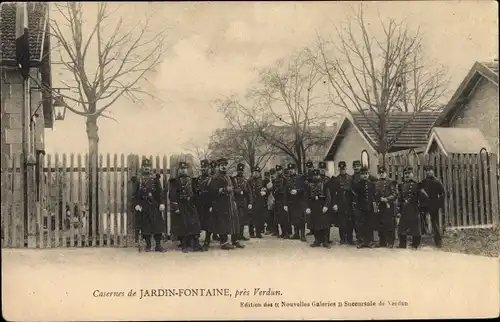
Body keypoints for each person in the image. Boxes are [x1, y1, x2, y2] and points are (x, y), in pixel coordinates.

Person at [208, 158, 245, 250]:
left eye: (225, 165)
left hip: (230, 203)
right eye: (222, 165)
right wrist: (224, 190)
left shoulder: (228, 177)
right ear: (218, 167)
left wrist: (235, 192)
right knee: (223, 223)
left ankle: (235, 240)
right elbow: (212, 191)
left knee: (235, 222)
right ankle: (224, 242)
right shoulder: (216, 177)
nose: (224, 167)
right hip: (221, 204)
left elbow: (232, 188)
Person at [132, 158, 166, 252]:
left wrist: (162, 203)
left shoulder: (155, 179)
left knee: (157, 226)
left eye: (148, 166)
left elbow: (160, 193)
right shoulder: (139, 180)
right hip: (144, 206)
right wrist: (137, 204)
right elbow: (135, 195)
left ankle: (158, 246)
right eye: (144, 166)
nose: (146, 168)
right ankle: (148, 245)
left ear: (150, 167)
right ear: (142, 167)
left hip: (154, 205)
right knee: (145, 227)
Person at [169, 161, 203, 253]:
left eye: (185, 169)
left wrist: (192, 198)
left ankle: (196, 244)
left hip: (190, 205)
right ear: (179, 170)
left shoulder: (192, 181)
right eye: (181, 169)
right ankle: (184, 244)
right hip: (181, 206)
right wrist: (176, 207)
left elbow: (196, 193)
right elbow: (172, 195)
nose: (183, 170)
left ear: (187, 170)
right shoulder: (174, 182)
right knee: (182, 224)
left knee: (194, 223)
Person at [398, 166, 429, 249]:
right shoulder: (401, 186)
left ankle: (415, 245)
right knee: (401, 228)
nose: (407, 175)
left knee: (415, 228)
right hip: (404, 209)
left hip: (414, 209)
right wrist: (400, 207)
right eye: (406, 174)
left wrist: (421, 207)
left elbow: (425, 197)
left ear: (412, 174)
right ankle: (402, 245)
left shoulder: (417, 185)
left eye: (409, 173)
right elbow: (400, 198)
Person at [420, 165, 445, 248]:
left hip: (433, 204)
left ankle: (438, 241)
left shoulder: (437, 181)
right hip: (425, 204)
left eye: (430, 170)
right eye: (426, 170)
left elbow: (442, 193)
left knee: (434, 222)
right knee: (421, 219)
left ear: (433, 171)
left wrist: (438, 203)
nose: (428, 172)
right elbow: (420, 190)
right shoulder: (424, 181)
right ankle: (422, 237)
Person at [352, 166, 377, 249]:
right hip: (360, 208)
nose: (365, 176)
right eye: (363, 174)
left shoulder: (372, 185)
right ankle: (361, 241)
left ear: (368, 174)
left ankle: (369, 241)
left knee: (369, 225)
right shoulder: (357, 185)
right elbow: (354, 197)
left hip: (369, 208)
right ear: (360, 175)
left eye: (366, 174)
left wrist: (374, 207)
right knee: (360, 225)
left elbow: (373, 196)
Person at [329, 161, 354, 245]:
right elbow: (333, 193)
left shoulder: (350, 178)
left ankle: (350, 239)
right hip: (340, 203)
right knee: (341, 222)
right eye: (340, 169)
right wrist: (334, 204)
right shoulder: (335, 179)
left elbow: (353, 191)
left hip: (349, 202)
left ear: (346, 168)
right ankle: (342, 239)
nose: (342, 170)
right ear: (338, 169)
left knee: (349, 221)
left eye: (343, 168)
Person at [305, 169, 331, 248]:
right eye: (314, 176)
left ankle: (325, 241)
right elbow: (306, 198)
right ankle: (317, 240)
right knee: (315, 224)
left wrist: (326, 206)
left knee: (325, 225)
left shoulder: (325, 185)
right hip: (313, 207)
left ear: (320, 176)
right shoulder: (309, 186)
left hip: (322, 207)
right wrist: (307, 207)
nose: (316, 177)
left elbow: (328, 197)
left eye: (317, 175)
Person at [193, 159, 215, 251]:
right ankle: (196, 241)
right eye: (202, 167)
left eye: (205, 167)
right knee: (198, 222)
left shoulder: (211, 179)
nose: (203, 169)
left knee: (208, 223)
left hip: (208, 204)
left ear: (208, 168)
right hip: (199, 204)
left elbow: (213, 193)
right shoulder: (197, 179)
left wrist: (212, 205)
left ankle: (207, 240)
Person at [374, 165, 398, 248]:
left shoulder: (391, 182)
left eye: (383, 172)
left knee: (390, 224)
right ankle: (382, 242)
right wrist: (378, 199)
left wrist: (387, 199)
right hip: (380, 206)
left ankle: (390, 242)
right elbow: (375, 194)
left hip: (389, 206)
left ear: (386, 173)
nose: (381, 174)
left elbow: (395, 194)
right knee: (381, 224)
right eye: (380, 173)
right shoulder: (376, 183)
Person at [232, 163, 253, 241]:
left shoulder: (245, 180)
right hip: (236, 201)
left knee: (243, 219)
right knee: (237, 219)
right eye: (239, 170)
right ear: (237, 170)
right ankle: (236, 236)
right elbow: (232, 190)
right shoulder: (233, 179)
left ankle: (241, 235)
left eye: (241, 170)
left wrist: (250, 203)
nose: (240, 172)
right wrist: (238, 191)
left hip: (244, 202)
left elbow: (249, 192)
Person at [286, 163, 306, 241]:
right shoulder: (287, 179)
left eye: (292, 169)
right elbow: (286, 192)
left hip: (300, 201)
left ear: (295, 170)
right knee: (294, 218)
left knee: (301, 219)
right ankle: (296, 234)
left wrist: (297, 191)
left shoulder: (300, 178)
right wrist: (285, 203)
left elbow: (304, 189)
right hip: (292, 202)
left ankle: (303, 235)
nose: (291, 171)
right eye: (290, 170)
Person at [271, 165, 290, 238]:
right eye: (277, 171)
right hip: (277, 200)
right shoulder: (275, 180)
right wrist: (274, 195)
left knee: (285, 218)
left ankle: (286, 233)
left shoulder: (284, 179)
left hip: (283, 200)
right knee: (279, 218)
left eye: (279, 170)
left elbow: (285, 191)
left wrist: (285, 202)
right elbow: (273, 189)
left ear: (281, 171)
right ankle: (282, 232)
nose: (278, 172)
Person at [249, 166, 267, 238]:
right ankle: (251, 233)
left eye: (257, 172)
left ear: (259, 173)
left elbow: (266, 189)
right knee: (251, 217)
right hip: (252, 200)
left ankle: (258, 233)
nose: (256, 174)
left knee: (259, 217)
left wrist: (265, 191)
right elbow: (249, 191)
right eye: (255, 172)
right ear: (253, 173)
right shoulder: (249, 181)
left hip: (260, 201)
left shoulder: (262, 181)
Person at [304, 160, 315, 236]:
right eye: (308, 167)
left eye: (310, 167)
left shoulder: (315, 174)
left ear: (313, 167)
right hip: (308, 195)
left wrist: (310, 184)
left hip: (314, 195)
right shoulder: (306, 175)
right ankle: (311, 229)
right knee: (309, 214)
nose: (309, 169)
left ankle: (315, 229)